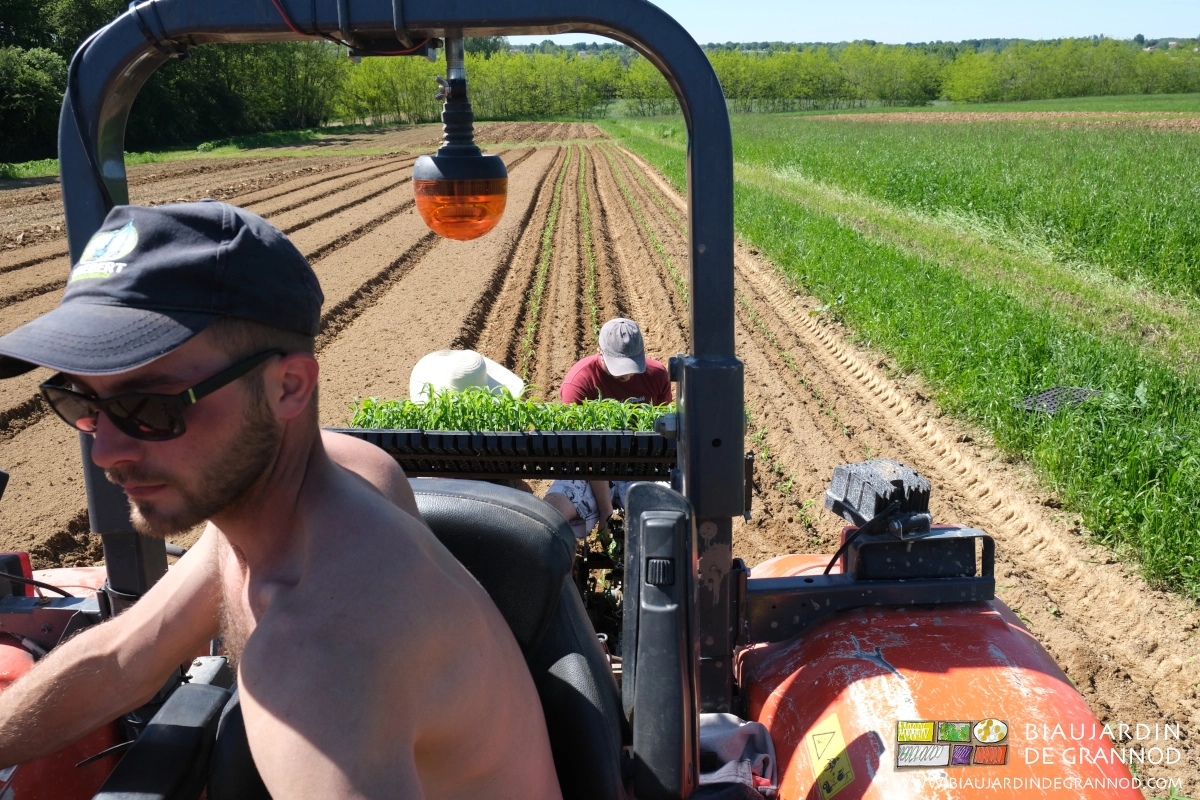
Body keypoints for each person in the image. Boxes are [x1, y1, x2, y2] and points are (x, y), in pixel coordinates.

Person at [0, 202, 561, 799]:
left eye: (150, 406)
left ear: (288, 387)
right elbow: (118, 662)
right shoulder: (321, 482)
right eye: (80, 401)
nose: (105, 449)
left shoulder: (317, 661)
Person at [545, 318, 672, 539]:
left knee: (677, 512)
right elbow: (584, 453)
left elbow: (661, 432)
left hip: (641, 465)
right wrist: (605, 511)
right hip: (588, 469)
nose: (628, 375)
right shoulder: (580, 382)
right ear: (600, 352)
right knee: (549, 516)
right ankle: (564, 562)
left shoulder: (657, 375)